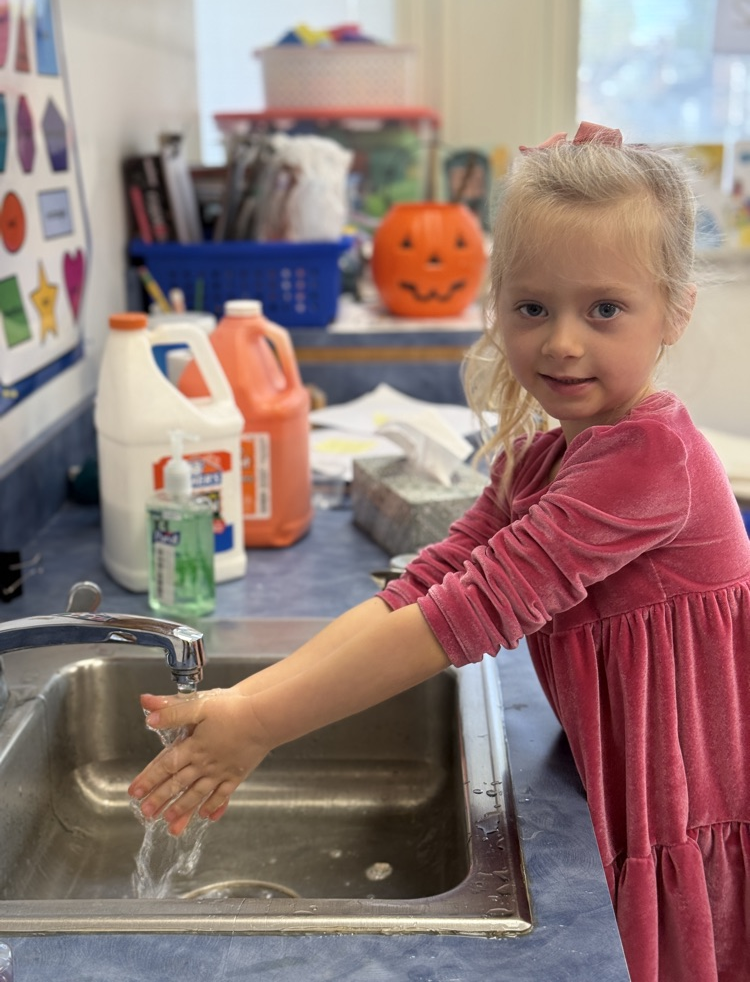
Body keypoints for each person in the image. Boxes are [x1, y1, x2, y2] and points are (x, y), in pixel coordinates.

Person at [129, 121, 750, 982]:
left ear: (675, 309)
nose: (562, 341)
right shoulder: (546, 449)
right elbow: (425, 585)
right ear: (498, 306)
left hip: (683, 798)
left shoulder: (650, 460)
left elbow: (462, 619)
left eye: (604, 309)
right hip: (621, 770)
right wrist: (249, 701)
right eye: (533, 307)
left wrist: (262, 725)